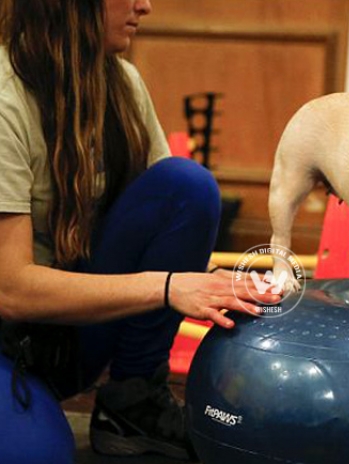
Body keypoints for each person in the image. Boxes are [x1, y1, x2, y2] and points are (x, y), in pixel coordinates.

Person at [0, 0, 280, 462]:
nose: (145, 5)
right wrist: (170, 287)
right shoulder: (7, 100)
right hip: (11, 340)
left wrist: (225, 286)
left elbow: (164, 228)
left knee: (186, 185)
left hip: (67, 339)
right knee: (37, 455)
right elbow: (10, 290)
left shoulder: (123, 82)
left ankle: (131, 404)